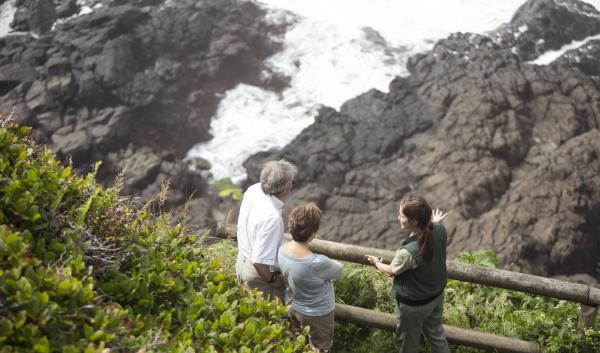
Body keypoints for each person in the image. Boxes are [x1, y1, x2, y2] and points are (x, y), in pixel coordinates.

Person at [366, 195, 450, 353]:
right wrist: (436, 221)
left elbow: (391, 271)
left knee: (408, 344)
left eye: (402, 215)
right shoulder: (439, 229)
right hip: (436, 296)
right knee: (436, 334)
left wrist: (377, 263)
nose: (398, 218)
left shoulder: (408, 252)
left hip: (414, 306)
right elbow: (434, 227)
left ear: (414, 222)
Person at [278, 203, 343, 353]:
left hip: (292, 306)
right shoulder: (317, 262)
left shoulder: (282, 249)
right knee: (320, 348)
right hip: (318, 314)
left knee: (296, 345)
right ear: (314, 232)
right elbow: (339, 270)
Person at [236, 159, 297, 301]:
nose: (292, 186)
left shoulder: (253, 190)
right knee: (268, 319)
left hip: (242, 260)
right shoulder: (272, 218)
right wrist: (273, 280)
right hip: (257, 275)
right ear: (283, 190)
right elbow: (259, 260)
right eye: (290, 183)